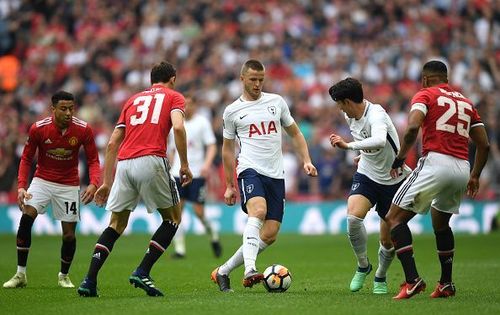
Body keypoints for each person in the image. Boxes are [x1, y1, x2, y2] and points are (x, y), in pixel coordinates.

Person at [77, 61, 193, 297]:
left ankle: (89, 280)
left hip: (125, 163)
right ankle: (143, 270)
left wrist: (107, 182)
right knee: (173, 218)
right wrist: (184, 165)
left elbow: (111, 143)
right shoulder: (174, 96)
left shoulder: (132, 100)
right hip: (152, 160)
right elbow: (179, 128)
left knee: (116, 224)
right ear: (172, 79)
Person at [386, 60, 490, 299]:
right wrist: (474, 176)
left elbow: (412, 128)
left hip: (435, 163)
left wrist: (400, 158)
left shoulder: (425, 95)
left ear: (425, 79)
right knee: (441, 224)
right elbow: (484, 144)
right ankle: (446, 283)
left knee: (393, 219)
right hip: (462, 168)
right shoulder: (465, 101)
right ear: (446, 77)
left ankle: (412, 280)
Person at [211, 59, 318, 292]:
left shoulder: (276, 102)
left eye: (261, 79)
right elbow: (227, 149)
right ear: (242, 79)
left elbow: (295, 133)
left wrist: (306, 160)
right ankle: (250, 269)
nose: (258, 84)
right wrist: (229, 184)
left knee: (269, 234)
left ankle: (223, 271)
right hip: (249, 169)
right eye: (253, 80)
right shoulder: (232, 111)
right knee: (257, 211)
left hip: (275, 175)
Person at [3, 91, 100, 289]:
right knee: (26, 218)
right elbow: (26, 159)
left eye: (71, 108)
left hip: (69, 184)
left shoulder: (83, 130)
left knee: (69, 235)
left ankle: (63, 275)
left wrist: (94, 183)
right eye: (63, 109)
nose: (68, 113)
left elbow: (93, 160)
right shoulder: (39, 129)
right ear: (53, 109)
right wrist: (22, 186)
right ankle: (20, 274)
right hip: (42, 180)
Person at [328, 77, 411, 294]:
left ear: (347, 101)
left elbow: (380, 140)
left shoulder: (376, 114)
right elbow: (370, 144)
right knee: (353, 218)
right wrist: (362, 155)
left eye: (338, 102)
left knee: (388, 238)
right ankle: (363, 265)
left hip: (392, 179)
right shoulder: (348, 115)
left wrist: (349, 146)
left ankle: (380, 276)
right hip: (367, 173)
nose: (338, 107)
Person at [168, 95, 221, 259]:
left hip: (197, 173)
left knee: (199, 212)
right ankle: (180, 249)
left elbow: (211, 145)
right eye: (184, 104)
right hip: (177, 173)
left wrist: (206, 165)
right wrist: (170, 166)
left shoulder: (202, 122)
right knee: (177, 212)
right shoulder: (175, 124)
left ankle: (213, 236)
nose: (186, 107)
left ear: (195, 106)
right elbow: (171, 149)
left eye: (190, 104)